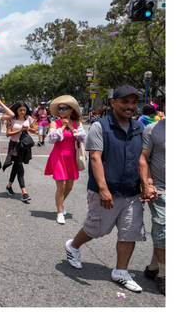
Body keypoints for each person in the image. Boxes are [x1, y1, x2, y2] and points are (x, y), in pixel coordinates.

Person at [65, 85, 146, 293]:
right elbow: (95, 157)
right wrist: (103, 188)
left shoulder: (139, 128)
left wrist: (147, 184)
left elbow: (142, 159)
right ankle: (73, 246)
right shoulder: (100, 127)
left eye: (133, 103)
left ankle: (120, 271)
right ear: (113, 103)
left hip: (131, 191)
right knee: (96, 229)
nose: (130, 107)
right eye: (125, 102)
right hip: (105, 191)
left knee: (130, 232)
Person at [44, 95, 86, 224]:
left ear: (71, 110)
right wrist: (62, 127)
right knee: (61, 185)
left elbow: (83, 138)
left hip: (71, 157)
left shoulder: (77, 123)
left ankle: (60, 203)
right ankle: (60, 212)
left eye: (64, 108)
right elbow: (51, 139)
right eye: (59, 108)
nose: (61, 110)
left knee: (69, 187)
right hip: (58, 156)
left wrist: (72, 128)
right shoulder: (54, 123)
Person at [139, 99, 166, 295]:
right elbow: (143, 157)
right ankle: (165, 275)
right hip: (161, 188)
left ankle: (154, 267)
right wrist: (147, 183)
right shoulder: (152, 129)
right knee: (163, 230)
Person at [2, 102, 36, 201]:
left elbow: (35, 131)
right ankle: (24, 192)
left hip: (24, 146)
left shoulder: (29, 119)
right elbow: (8, 134)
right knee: (19, 166)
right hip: (14, 145)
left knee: (16, 166)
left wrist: (29, 129)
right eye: (20, 110)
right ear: (16, 110)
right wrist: (20, 129)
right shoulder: (11, 120)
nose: (23, 112)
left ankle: (9, 186)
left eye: (24, 110)